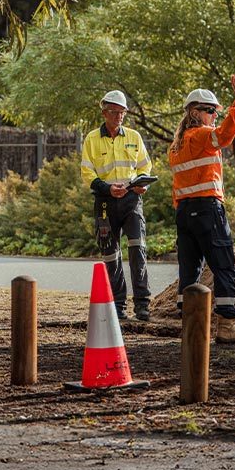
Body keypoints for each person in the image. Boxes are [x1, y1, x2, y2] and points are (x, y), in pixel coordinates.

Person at [168, 74, 235, 343]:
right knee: (224, 265)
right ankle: (226, 327)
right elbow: (226, 134)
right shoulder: (202, 135)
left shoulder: (176, 145)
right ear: (195, 112)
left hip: (184, 212)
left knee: (189, 269)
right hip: (207, 208)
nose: (214, 116)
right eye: (210, 111)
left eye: (216, 111)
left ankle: (191, 325)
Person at [80, 90, 153, 321]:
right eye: (114, 112)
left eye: (122, 112)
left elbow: (145, 167)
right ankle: (118, 305)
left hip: (132, 200)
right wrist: (107, 189)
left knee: (137, 248)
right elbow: (87, 172)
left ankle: (142, 304)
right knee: (110, 254)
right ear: (104, 113)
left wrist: (143, 185)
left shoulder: (134, 137)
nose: (118, 116)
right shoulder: (92, 139)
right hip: (105, 202)